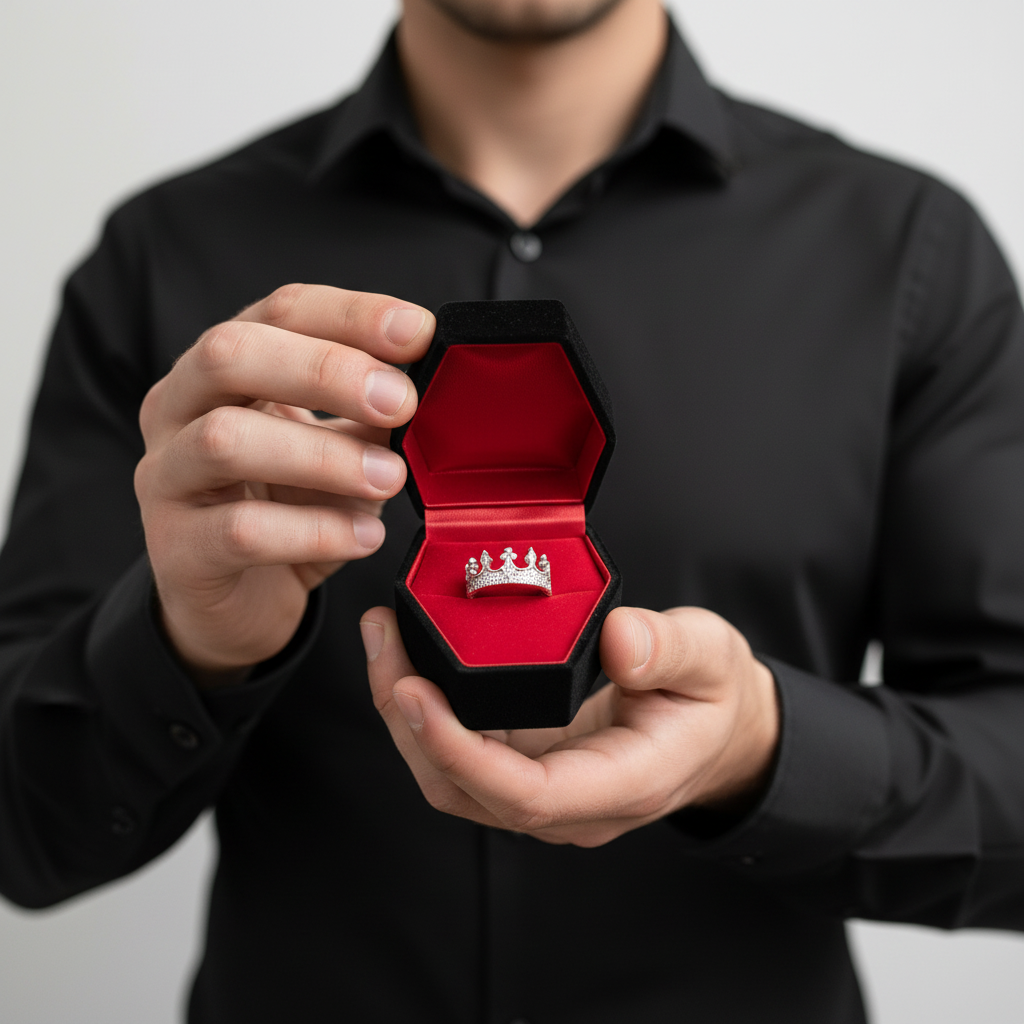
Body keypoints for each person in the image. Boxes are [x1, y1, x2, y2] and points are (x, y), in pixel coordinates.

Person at [0, 0, 1022, 1021]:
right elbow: (23, 834)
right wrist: (184, 644)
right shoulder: (161, 261)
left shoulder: (906, 257)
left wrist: (764, 750)